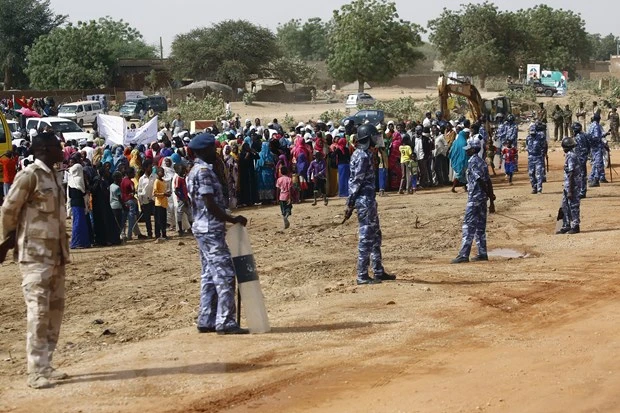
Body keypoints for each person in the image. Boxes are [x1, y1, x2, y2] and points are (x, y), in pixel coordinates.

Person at [0, 131, 70, 389]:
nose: (61, 151)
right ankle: (35, 371)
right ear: (43, 149)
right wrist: (5, 242)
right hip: (34, 255)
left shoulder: (52, 175)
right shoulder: (30, 175)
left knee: (54, 312)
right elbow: (9, 209)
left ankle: (46, 365)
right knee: (38, 311)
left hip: (56, 254)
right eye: (56, 147)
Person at [186, 133, 249, 335]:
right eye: (212, 149)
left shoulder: (194, 170)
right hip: (210, 228)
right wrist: (233, 219)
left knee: (209, 275)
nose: (215, 152)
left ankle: (207, 319)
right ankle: (226, 321)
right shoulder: (204, 172)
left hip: (202, 227)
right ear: (202, 151)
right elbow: (210, 204)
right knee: (225, 274)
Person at [344, 124, 395, 285]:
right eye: (374, 136)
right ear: (367, 138)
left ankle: (378, 270)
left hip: (369, 200)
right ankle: (362, 275)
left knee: (375, 236)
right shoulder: (362, 156)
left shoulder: (365, 154)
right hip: (364, 201)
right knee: (366, 237)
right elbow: (355, 181)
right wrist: (350, 203)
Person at [452, 137, 495, 264]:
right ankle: (482, 253)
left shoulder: (472, 162)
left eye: (468, 149)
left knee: (468, 226)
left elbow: (480, 181)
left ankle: (464, 254)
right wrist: (491, 198)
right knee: (480, 228)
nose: (466, 151)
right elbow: (488, 181)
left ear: (472, 149)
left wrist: (488, 194)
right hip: (482, 200)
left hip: (475, 198)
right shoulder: (482, 162)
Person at [556, 136, 582, 235]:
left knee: (573, 206)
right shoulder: (569, 155)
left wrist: (570, 190)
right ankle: (566, 225)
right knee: (565, 205)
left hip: (573, 186)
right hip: (567, 186)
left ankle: (575, 226)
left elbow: (571, 173)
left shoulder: (571, 156)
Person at [67, 155, 91, 248]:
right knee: (78, 223)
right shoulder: (74, 180)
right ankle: (76, 242)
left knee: (80, 223)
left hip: (78, 203)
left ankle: (83, 242)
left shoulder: (75, 180)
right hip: (77, 203)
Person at [588, 114, 608, 187]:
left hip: (592, 147)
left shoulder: (591, 125)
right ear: (599, 119)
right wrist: (603, 141)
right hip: (597, 146)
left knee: (596, 162)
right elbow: (596, 137)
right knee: (598, 163)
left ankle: (596, 177)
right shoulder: (596, 126)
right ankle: (596, 179)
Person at [526, 124, 546, 194]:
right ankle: (534, 188)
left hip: (538, 157)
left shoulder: (540, 137)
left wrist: (543, 154)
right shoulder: (528, 138)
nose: (532, 134)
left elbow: (543, 146)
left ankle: (539, 189)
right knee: (531, 173)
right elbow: (527, 146)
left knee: (538, 174)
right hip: (530, 158)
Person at [137, 159, 155, 238]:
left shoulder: (155, 176)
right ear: (145, 168)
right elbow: (139, 191)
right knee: (147, 219)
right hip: (145, 201)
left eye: (151, 167)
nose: (151, 169)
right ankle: (149, 233)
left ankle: (158, 233)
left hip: (154, 200)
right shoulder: (141, 179)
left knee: (156, 217)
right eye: (149, 167)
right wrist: (141, 203)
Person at [173, 163, 192, 236]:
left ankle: (192, 228)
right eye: (183, 170)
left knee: (189, 213)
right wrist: (183, 199)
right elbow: (176, 190)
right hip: (181, 199)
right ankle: (180, 230)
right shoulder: (178, 178)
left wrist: (187, 198)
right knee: (180, 214)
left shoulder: (183, 178)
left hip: (186, 198)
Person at [153, 166, 170, 240]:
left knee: (163, 220)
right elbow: (155, 193)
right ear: (157, 173)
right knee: (158, 220)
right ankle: (157, 234)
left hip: (164, 203)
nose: (162, 173)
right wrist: (163, 194)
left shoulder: (163, 181)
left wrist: (167, 193)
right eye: (161, 172)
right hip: (159, 203)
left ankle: (164, 233)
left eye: (163, 172)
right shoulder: (156, 181)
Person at [109, 171, 124, 242]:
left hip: (112, 205)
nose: (121, 179)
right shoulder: (117, 188)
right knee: (119, 223)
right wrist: (124, 205)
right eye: (120, 178)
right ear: (117, 178)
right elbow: (119, 198)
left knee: (114, 223)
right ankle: (117, 238)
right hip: (117, 206)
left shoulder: (111, 186)